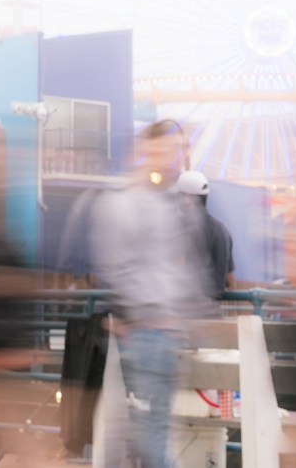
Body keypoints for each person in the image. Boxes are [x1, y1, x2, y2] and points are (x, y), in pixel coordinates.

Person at [85, 120, 213, 468]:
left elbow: (120, 267)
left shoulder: (148, 204)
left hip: (156, 330)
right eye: (169, 149)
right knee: (150, 431)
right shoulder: (148, 204)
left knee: (143, 430)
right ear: (147, 151)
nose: (173, 158)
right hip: (154, 329)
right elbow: (184, 271)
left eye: (177, 151)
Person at [174, 169, 235, 302]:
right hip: (212, 310)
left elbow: (177, 266)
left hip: (185, 311)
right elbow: (229, 280)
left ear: (188, 198)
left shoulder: (181, 227)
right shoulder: (223, 230)